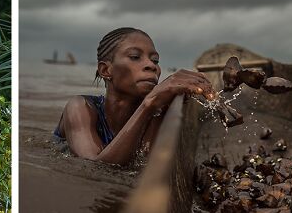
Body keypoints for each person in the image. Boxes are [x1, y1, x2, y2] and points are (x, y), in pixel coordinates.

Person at [54, 27, 215, 165]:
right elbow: (93, 168)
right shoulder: (80, 108)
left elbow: (142, 162)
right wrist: (150, 103)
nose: (151, 65)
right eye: (135, 57)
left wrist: (160, 108)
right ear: (105, 70)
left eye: (155, 60)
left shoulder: (154, 111)